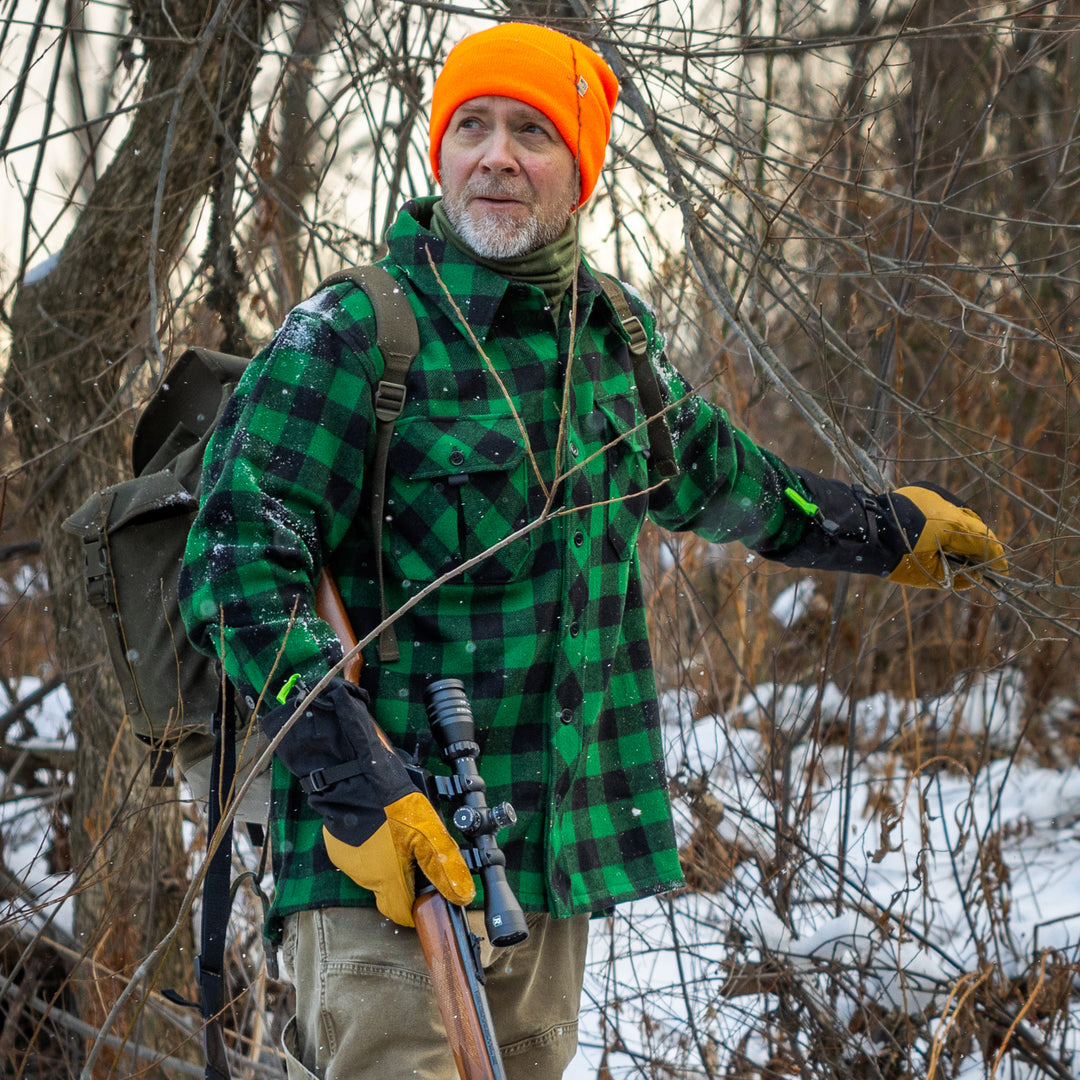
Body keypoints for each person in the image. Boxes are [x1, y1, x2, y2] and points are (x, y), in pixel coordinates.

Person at [179, 21, 1007, 1080]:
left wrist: (884, 531)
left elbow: (725, 479)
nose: (496, 155)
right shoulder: (352, 335)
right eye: (471, 126)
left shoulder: (610, 340)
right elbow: (236, 568)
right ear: (440, 153)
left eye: (532, 131)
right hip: (383, 878)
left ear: (580, 171)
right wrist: (357, 786)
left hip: (544, 872)